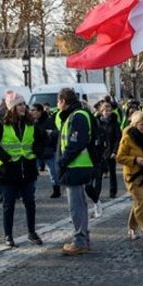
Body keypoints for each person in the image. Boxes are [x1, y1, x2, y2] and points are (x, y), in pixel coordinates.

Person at [0, 91, 45, 247]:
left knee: (30, 203)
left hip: (28, 169)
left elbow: (42, 140)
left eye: (23, 104)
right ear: (11, 107)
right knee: (8, 204)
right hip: (8, 171)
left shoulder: (30, 123)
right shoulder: (1, 124)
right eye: (19, 104)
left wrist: (36, 152)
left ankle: (32, 232)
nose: (23, 107)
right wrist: (6, 158)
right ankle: (8, 235)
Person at [56, 88, 96, 255]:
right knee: (79, 203)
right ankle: (83, 238)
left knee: (76, 206)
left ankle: (80, 240)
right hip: (78, 164)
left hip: (76, 165)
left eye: (58, 102)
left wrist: (62, 162)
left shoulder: (78, 116)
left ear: (63, 101)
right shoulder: (76, 114)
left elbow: (75, 143)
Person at [117, 110, 143, 245]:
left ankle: (131, 228)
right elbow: (120, 157)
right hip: (133, 175)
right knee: (141, 203)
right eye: (141, 124)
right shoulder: (128, 137)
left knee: (139, 203)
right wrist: (135, 160)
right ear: (135, 125)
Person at [32, 104, 60, 198]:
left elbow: (56, 133)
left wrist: (50, 133)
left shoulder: (48, 120)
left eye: (34, 110)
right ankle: (31, 192)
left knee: (53, 172)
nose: (32, 112)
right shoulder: (31, 122)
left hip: (48, 149)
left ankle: (57, 189)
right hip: (36, 150)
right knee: (33, 173)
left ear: (40, 111)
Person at [96, 102, 121, 199]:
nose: (107, 113)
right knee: (98, 173)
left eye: (109, 111)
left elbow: (117, 138)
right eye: (105, 111)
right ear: (101, 111)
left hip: (111, 150)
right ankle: (96, 193)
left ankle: (113, 192)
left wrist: (115, 151)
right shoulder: (97, 122)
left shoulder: (114, 123)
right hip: (100, 151)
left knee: (112, 172)